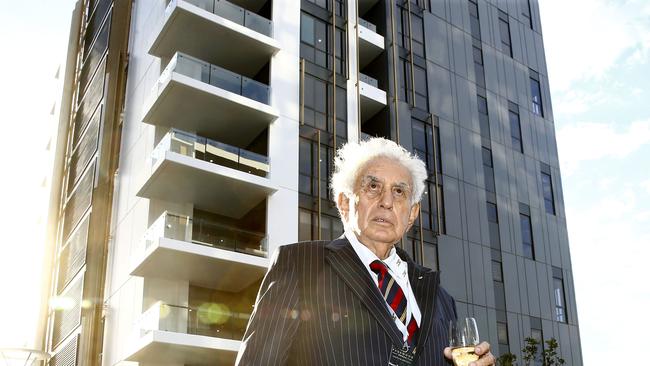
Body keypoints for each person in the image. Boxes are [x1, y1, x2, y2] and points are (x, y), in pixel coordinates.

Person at [235, 137, 495, 366]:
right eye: (373, 187)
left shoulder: (441, 297)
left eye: (399, 191)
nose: (386, 201)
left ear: (412, 214)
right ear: (345, 202)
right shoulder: (300, 264)